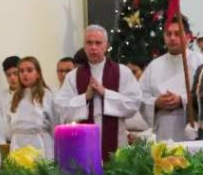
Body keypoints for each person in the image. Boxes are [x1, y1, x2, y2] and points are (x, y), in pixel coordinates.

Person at [54, 25, 143, 157]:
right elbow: (61, 107)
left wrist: (105, 93)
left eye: (98, 43)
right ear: (84, 46)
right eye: (89, 43)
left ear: (106, 45)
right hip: (82, 145)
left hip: (116, 144)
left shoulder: (122, 72)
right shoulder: (73, 76)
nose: (93, 47)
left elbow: (134, 103)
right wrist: (85, 97)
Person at [140, 16, 203, 142]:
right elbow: (141, 96)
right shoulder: (154, 66)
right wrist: (156, 102)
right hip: (162, 130)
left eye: (177, 34)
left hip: (191, 129)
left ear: (188, 36)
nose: (172, 38)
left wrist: (181, 100)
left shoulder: (201, 62)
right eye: (168, 34)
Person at [9, 57, 57, 157]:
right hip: (18, 144)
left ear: (38, 74)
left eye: (29, 70)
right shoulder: (16, 96)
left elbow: (54, 122)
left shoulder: (45, 94)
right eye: (21, 71)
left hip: (39, 143)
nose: (25, 74)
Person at [0, 55, 21, 143]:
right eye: (8, 75)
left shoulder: (30, 95)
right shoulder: (1, 97)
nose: (12, 78)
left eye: (15, 73)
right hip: (7, 144)